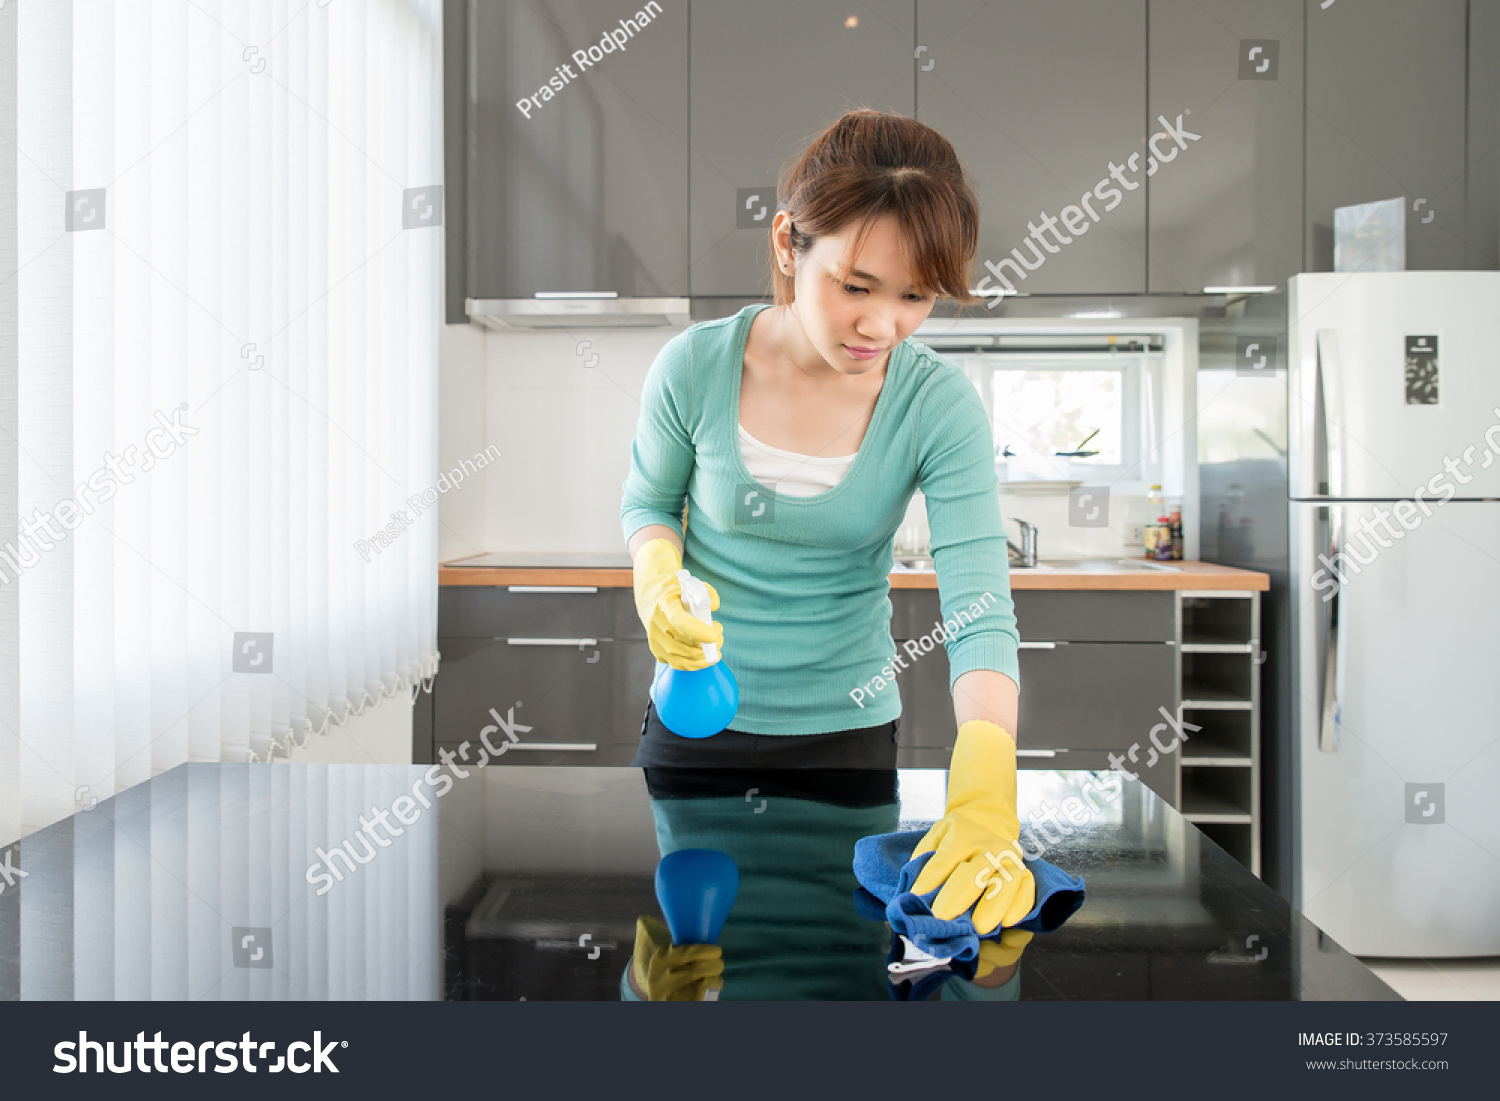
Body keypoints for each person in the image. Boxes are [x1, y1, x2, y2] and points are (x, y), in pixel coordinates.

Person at [620, 108, 1035, 938]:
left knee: (845, 977)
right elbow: (651, 503)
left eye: (915, 296)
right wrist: (658, 578)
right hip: (695, 726)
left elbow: (979, 604)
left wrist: (987, 778)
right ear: (786, 246)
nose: (881, 326)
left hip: (846, 740)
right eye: (855, 286)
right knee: (692, 982)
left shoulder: (937, 405)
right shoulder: (695, 366)